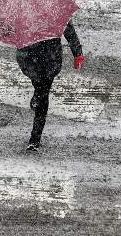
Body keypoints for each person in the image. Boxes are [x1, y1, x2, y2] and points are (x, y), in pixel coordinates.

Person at [16, 22, 84, 151]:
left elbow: (67, 27)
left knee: (43, 94)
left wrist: (77, 53)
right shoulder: (54, 7)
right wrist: (77, 53)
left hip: (40, 57)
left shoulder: (23, 6)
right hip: (41, 56)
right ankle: (37, 94)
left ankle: (35, 138)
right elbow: (68, 28)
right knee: (40, 88)